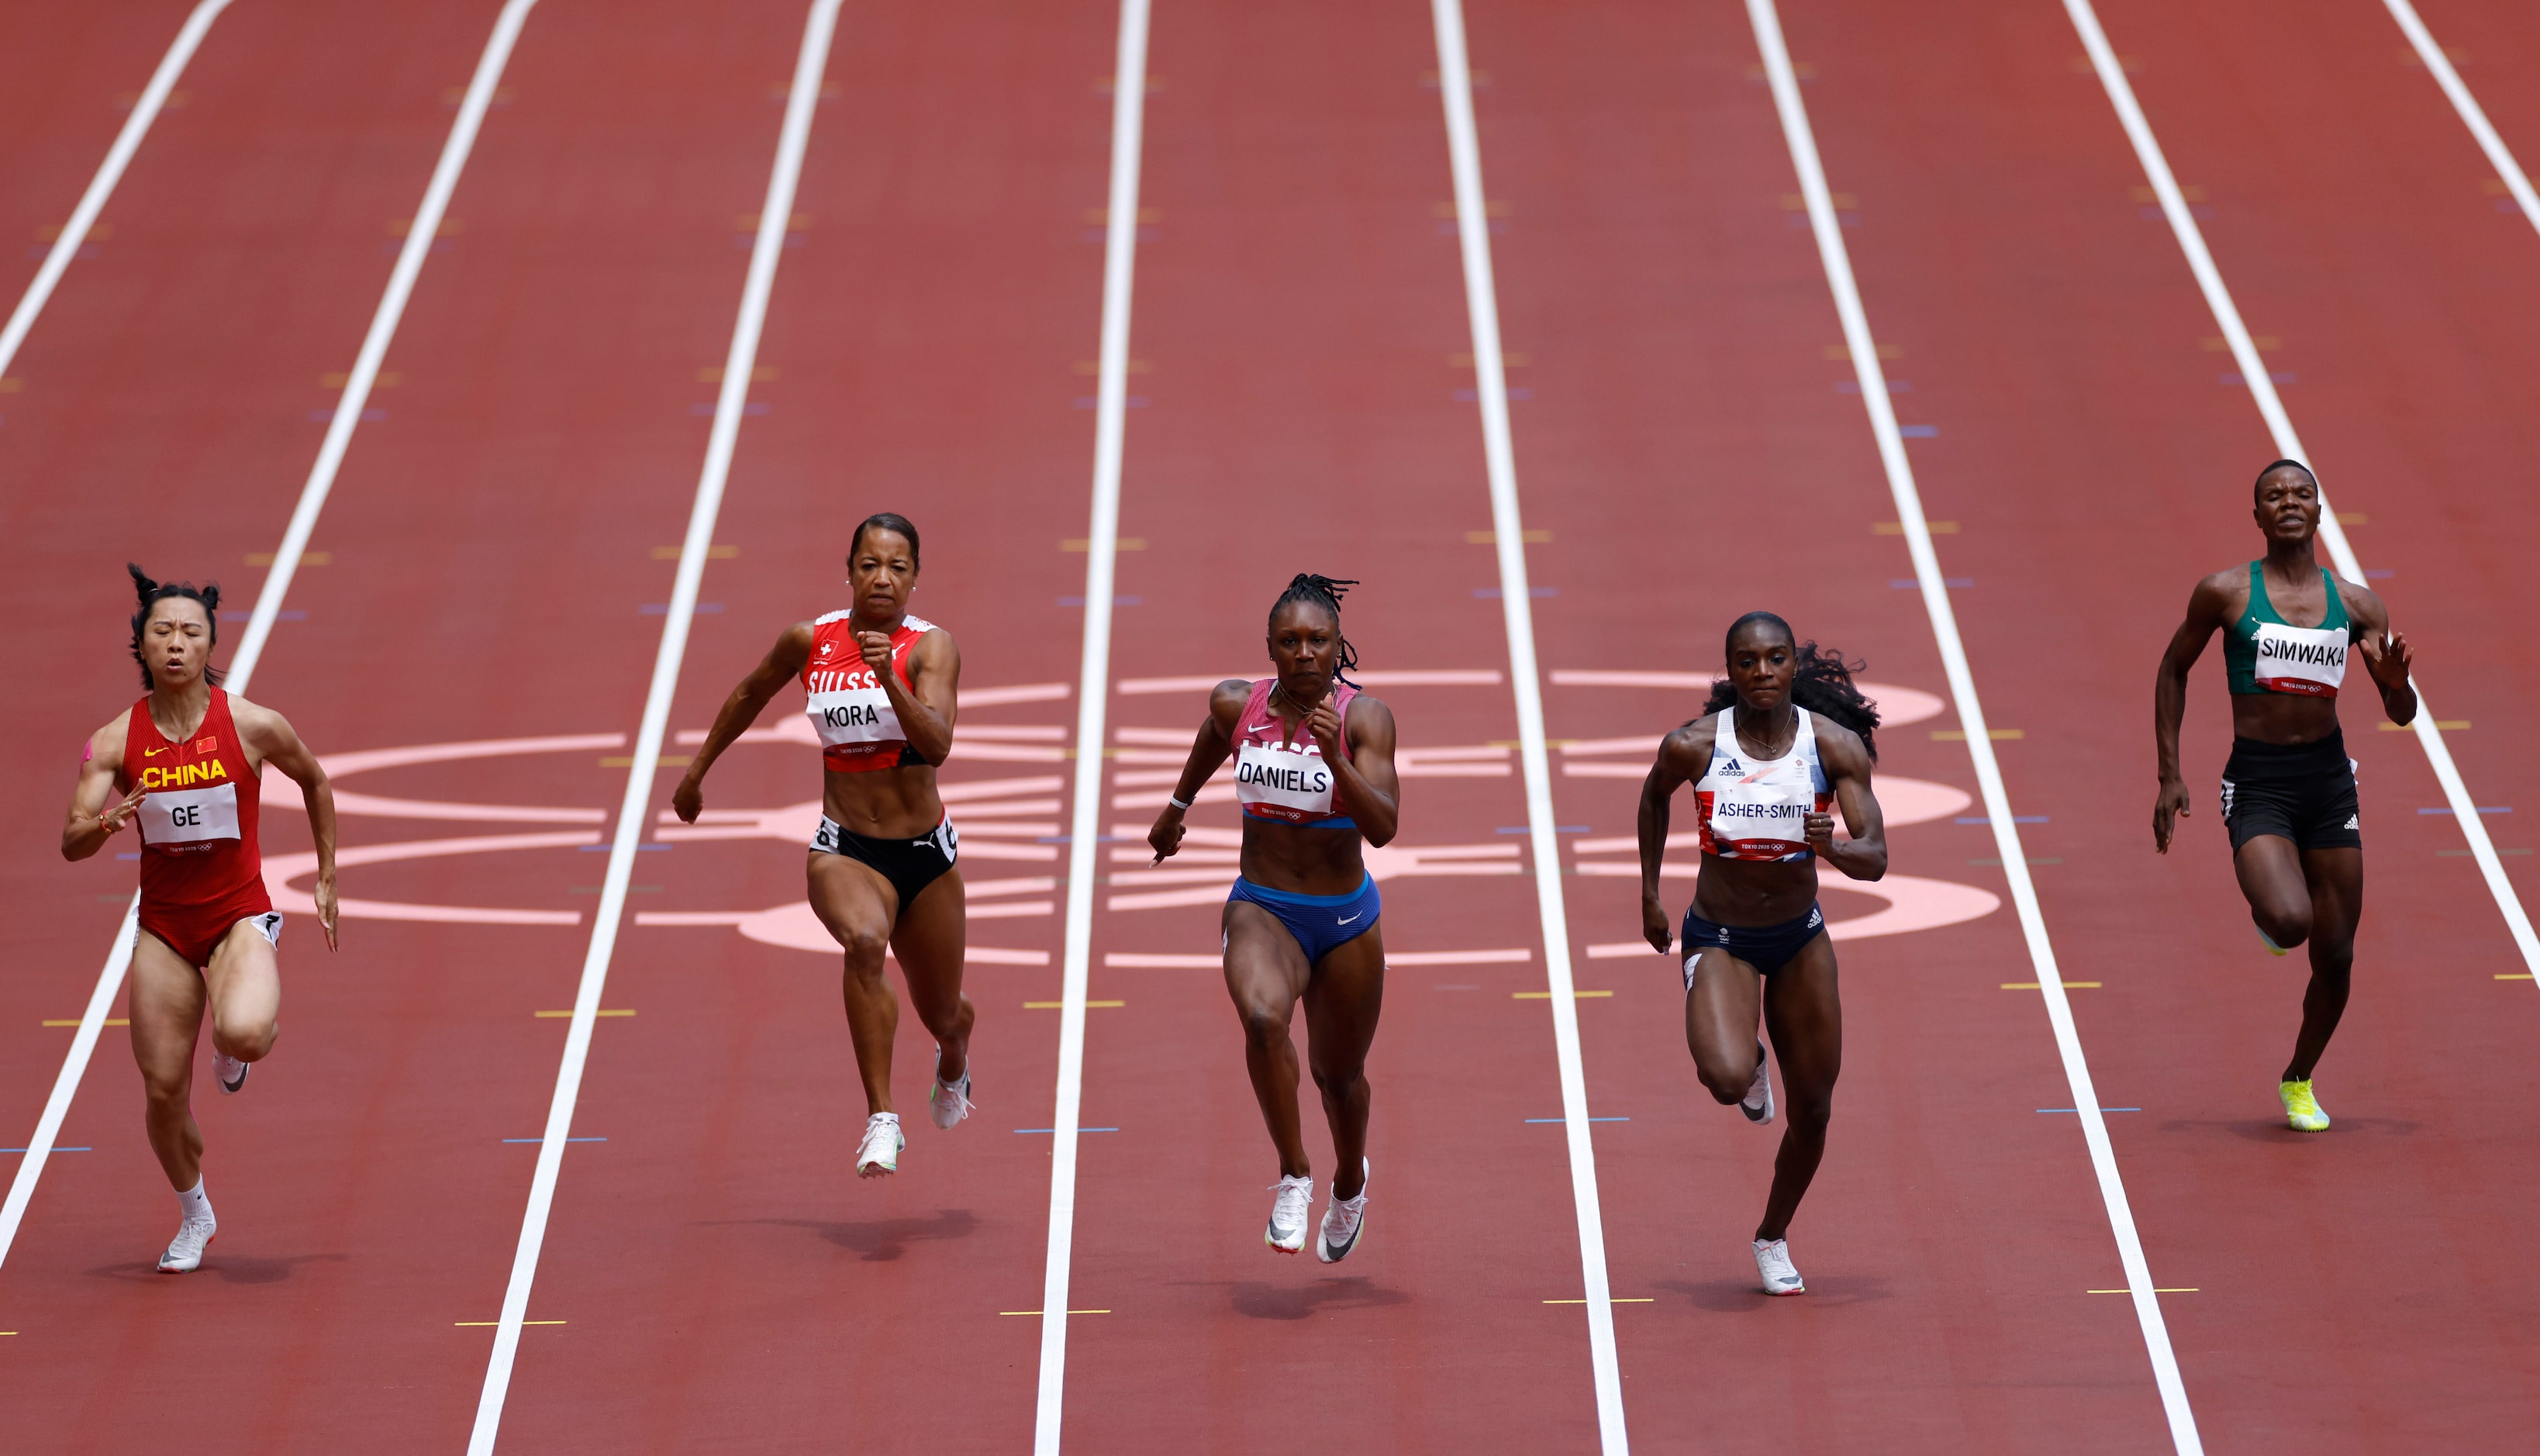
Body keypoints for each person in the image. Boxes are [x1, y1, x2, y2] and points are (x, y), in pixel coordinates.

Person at [673, 513, 974, 1178]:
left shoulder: (932, 649)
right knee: (864, 943)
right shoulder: (810, 640)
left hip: (925, 856)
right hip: (846, 848)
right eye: (869, 565)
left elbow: (938, 746)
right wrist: (698, 772)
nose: (883, 579)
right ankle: (881, 1118)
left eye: (898, 568)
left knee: (944, 1012)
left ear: (916, 579)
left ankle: (954, 1057)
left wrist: (888, 678)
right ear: (849, 572)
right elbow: (751, 692)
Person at [61, 565, 340, 1273]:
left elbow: (313, 778)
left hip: (238, 914)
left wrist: (327, 875)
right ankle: (195, 1214)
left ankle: (230, 1048)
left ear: (210, 642)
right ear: (142, 646)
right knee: (161, 1095)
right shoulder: (114, 742)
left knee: (245, 1032)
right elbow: (71, 843)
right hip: (163, 929)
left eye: (191, 632)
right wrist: (107, 822)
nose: (177, 643)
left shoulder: (249, 724)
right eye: (163, 632)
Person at [2154, 459, 2414, 1133]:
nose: (2289, 502)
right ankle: (2271, 917)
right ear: (2258, 517)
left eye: (2302, 493)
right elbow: (2173, 670)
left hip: (2329, 786)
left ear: (2320, 513)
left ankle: (2298, 1078)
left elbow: (2402, 713)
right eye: (2274, 495)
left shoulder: (2358, 606)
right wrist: (2170, 775)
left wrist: (2394, 684)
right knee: (2291, 920)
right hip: (2260, 783)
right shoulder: (2226, 593)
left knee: (2336, 955)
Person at [1146, 574, 1399, 1262]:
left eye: (1319, 640)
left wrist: (1333, 761)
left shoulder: (1364, 719)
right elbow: (1212, 734)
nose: (1306, 653)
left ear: (1339, 645)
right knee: (1262, 1020)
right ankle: (1294, 1174)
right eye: (1290, 642)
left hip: (1345, 919)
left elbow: (1384, 828)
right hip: (1262, 906)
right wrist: (1178, 805)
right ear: (1270, 648)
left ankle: (1350, 1182)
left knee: (1338, 1079)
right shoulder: (1241, 705)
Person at [1636, 612, 1886, 1296]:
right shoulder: (1694, 746)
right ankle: (1749, 1064)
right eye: (1748, 661)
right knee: (1721, 1075)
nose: (1764, 672)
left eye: (1776, 659)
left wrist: (1831, 845)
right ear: (1731, 671)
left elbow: (1877, 859)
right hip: (1721, 935)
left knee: (1814, 1112)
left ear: (1792, 669)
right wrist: (1652, 894)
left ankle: (1772, 1236)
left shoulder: (1832, 748)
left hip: (1800, 936)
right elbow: (1653, 799)